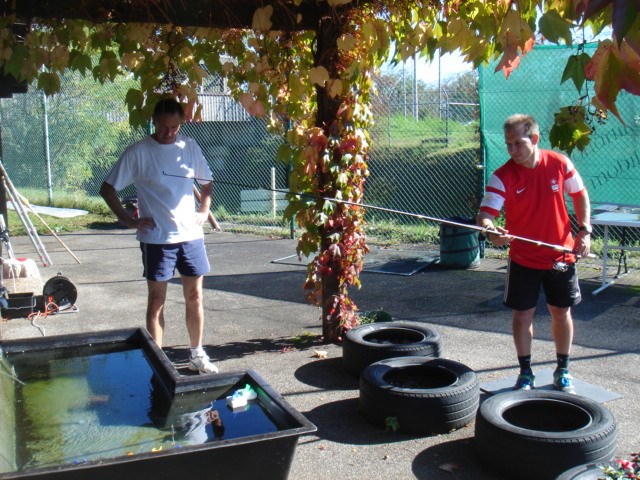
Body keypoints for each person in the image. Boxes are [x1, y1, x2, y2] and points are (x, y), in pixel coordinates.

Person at [99, 98, 218, 374]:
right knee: (156, 300)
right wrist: (128, 219)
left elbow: (207, 182)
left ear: (181, 124)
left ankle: (197, 354)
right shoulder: (138, 152)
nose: (168, 132)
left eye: (174, 127)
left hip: (190, 236)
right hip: (156, 239)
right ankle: (158, 363)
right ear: (153, 121)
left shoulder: (189, 146)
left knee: (195, 296)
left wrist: (204, 210)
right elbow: (107, 189)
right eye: (163, 127)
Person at [476, 114, 591, 394]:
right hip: (523, 259)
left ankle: (563, 370)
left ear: (535, 139)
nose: (512, 150)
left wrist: (585, 230)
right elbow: (485, 216)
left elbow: (580, 194)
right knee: (522, 314)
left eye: (518, 143)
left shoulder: (559, 163)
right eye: (508, 144)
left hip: (560, 256)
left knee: (561, 312)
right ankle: (525, 372)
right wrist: (491, 232)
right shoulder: (502, 176)